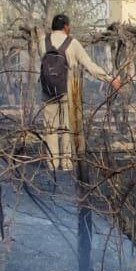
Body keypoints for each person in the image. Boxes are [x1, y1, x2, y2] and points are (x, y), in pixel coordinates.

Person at [40, 13, 120, 170]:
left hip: (47, 91)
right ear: (66, 27)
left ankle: (51, 164)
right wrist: (110, 79)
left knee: (50, 128)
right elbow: (90, 66)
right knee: (67, 127)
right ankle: (67, 163)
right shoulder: (72, 43)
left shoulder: (42, 41)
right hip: (67, 91)